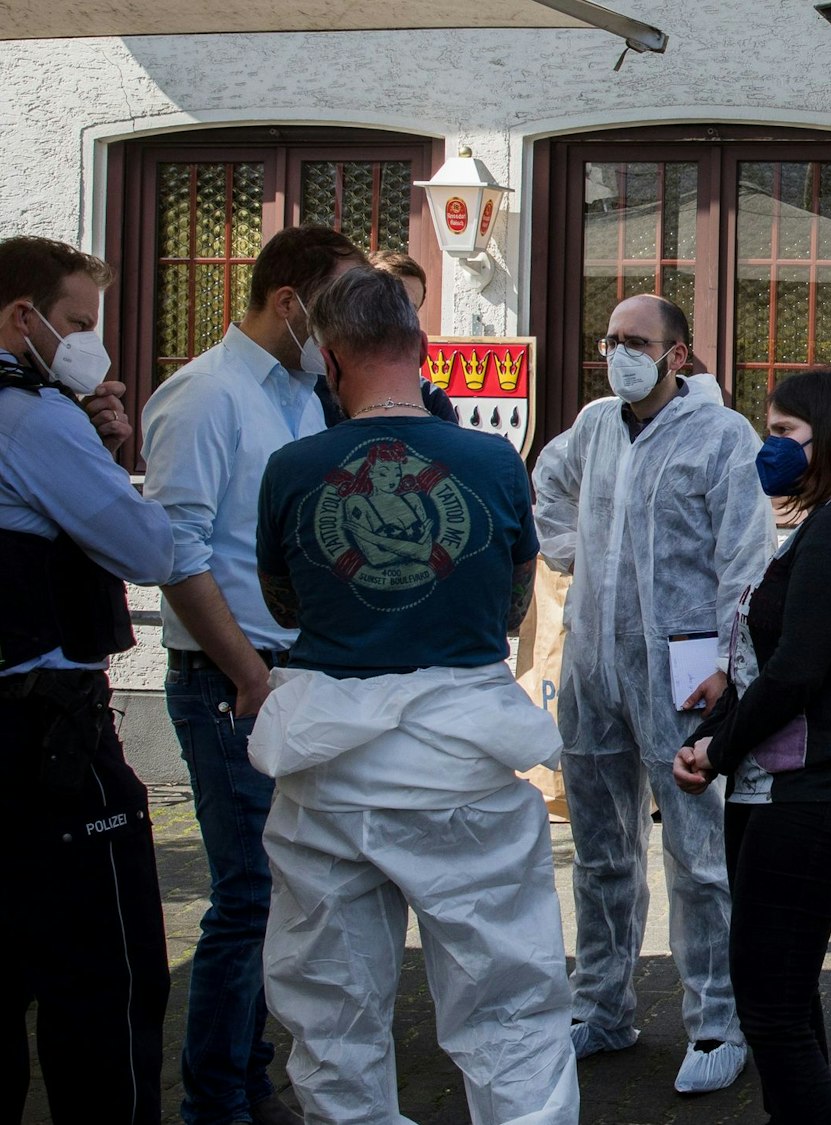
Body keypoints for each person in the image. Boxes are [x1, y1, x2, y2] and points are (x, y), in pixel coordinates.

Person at [245, 266, 574, 1122]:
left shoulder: (291, 468)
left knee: (332, 1018)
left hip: (328, 772)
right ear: (421, 349)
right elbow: (510, 601)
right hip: (462, 765)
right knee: (511, 1010)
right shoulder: (493, 460)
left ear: (327, 354)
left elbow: (284, 602)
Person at [141, 224, 363, 1125]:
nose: (349, 326)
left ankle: (248, 1071)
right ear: (290, 303)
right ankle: (216, 1100)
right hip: (230, 682)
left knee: (285, 895)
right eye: (339, 305)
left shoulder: (305, 398)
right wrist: (248, 674)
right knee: (246, 898)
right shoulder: (204, 396)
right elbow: (177, 551)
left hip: (287, 676)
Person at [532, 293, 771, 1089]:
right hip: (594, 670)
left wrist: (735, 673)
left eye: (635, 340)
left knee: (699, 855)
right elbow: (549, 484)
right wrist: (569, 551)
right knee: (599, 853)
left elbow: (745, 559)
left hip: (684, 673)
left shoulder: (721, 436)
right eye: (610, 338)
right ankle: (602, 1008)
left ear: (677, 353)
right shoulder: (597, 423)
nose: (617, 351)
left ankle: (715, 1021)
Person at [672, 365, 831, 1125]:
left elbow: (799, 673)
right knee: (785, 988)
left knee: (770, 1010)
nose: (768, 446)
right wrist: (719, 728)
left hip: (816, 789)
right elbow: (774, 664)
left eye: (784, 433)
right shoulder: (828, 521)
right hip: (786, 784)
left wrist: (715, 752)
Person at [0, 236, 174, 1124]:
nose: (88, 344)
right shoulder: (32, 413)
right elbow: (143, 547)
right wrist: (107, 446)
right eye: (75, 322)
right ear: (20, 316)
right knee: (108, 976)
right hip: (48, 740)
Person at [369, 250, 457, 423]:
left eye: (409, 309)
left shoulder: (430, 400)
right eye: (388, 302)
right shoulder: (314, 390)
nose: (397, 316)